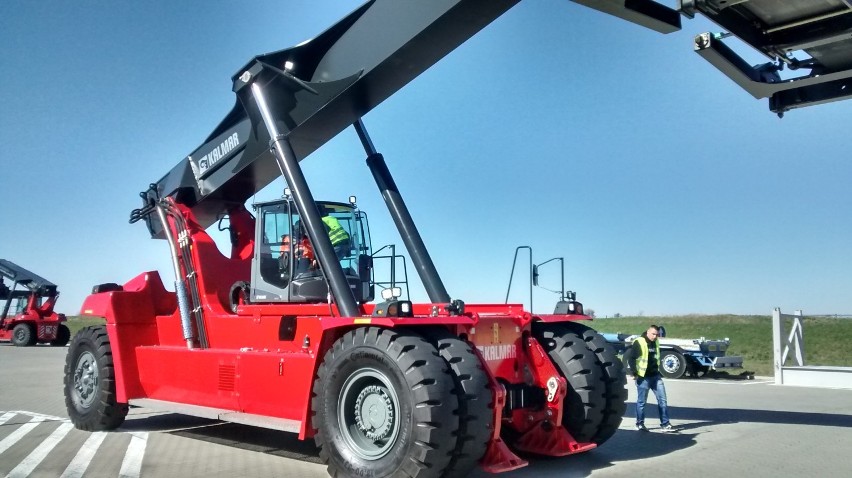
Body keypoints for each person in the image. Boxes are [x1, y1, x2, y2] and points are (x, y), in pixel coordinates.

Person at [625, 325, 678, 432]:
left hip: (655, 376)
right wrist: (634, 373)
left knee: (662, 400)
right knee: (642, 402)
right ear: (648, 332)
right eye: (653, 334)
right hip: (643, 377)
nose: (655, 336)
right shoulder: (639, 342)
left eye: (657, 334)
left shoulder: (656, 342)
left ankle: (665, 424)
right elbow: (631, 358)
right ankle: (639, 424)